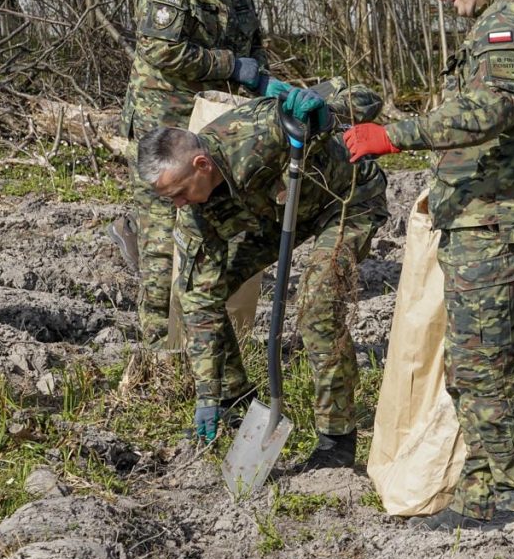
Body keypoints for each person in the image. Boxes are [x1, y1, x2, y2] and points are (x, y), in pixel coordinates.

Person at [344, 0, 514, 530]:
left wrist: (394, 135)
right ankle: (481, 492)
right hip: (490, 215)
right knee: (475, 364)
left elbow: (484, 113)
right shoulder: (511, 15)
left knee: (482, 369)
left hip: (499, 220)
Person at [137, 82, 389, 469]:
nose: (179, 204)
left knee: (317, 307)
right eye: (170, 198)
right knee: (201, 290)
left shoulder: (260, 127)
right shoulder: (195, 214)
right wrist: (208, 393)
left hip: (345, 200)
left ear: (201, 165)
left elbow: (368, 99)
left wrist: (327, 112)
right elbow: (199, 300)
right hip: (277, 214)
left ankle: (336, 440)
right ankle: (234, 398)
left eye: (181, 192)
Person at [115, 0, 272, 346]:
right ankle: (157, 346)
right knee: (164, 238)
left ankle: (206, 340)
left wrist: (259, 79)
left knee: (210, 230)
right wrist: (229, 66)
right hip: (162, 126)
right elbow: (161, 49)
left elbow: (253, 46)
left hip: (211, 129)